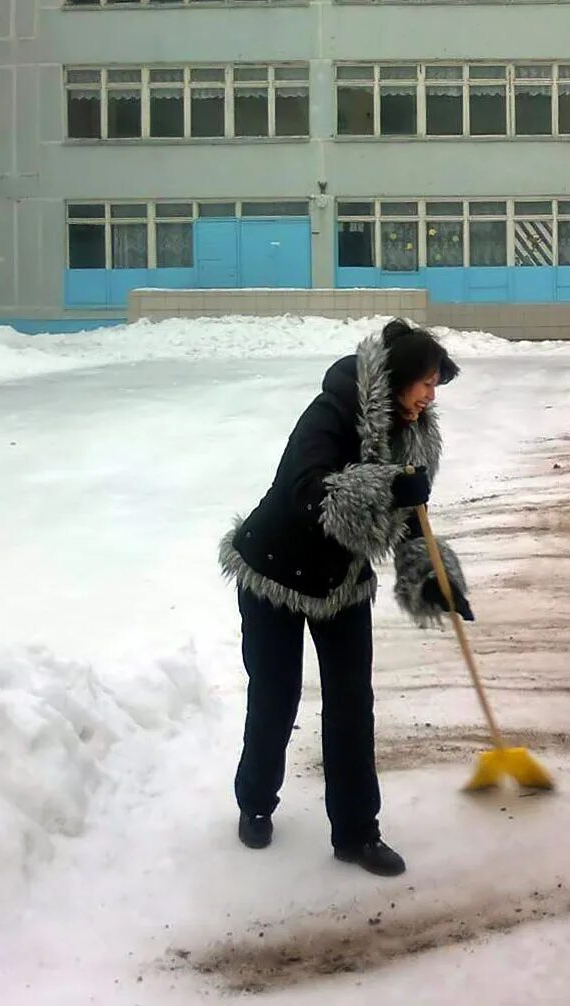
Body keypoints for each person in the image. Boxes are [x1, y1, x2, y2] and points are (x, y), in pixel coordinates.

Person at [219, 319, 474, 876]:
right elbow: (309, 491)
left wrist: (431, 575)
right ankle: (255, 801)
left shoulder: (414, 431)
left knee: (352, 703)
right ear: (399, 378)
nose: (431, 397)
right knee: (276, 694)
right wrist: (387, 485)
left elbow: (409, 517)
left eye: (436, 386)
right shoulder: (332, 412)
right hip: (275, 569)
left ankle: (358, 833)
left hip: (341, 580)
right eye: (426, 384)